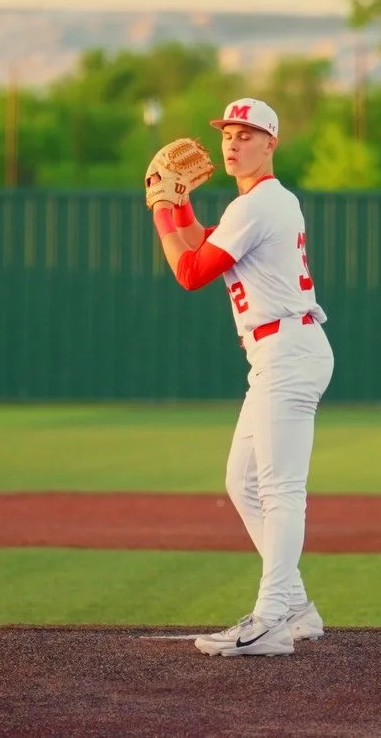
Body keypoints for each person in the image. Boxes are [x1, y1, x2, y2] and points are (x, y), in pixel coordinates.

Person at [148, 98, 334, 657]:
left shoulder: (263, 202)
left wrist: (162, 207)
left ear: (271, 143)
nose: (232, 143)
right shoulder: (252, 205)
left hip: (289, 351)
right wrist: (180, 210)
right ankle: (296, 606)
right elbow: (205, 244)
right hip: (277, 352)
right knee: (244, 482)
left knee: (279, 488)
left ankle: (272, 615)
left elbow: (190, 271)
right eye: (228, 133)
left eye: (247, 134)